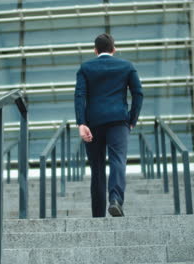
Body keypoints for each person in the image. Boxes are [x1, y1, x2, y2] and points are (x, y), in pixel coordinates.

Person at [74, 33, 143, 217]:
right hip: (118, 122)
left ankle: (97, 215)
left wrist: (81, 123)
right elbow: (138, 94)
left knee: (97, 169)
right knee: (118, 161)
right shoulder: (126, 66)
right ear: (114, 49)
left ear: (95, 50)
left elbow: (80, 95)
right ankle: (115, 200)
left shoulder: (85, 68)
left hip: (93, 123)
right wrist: (132, 119)